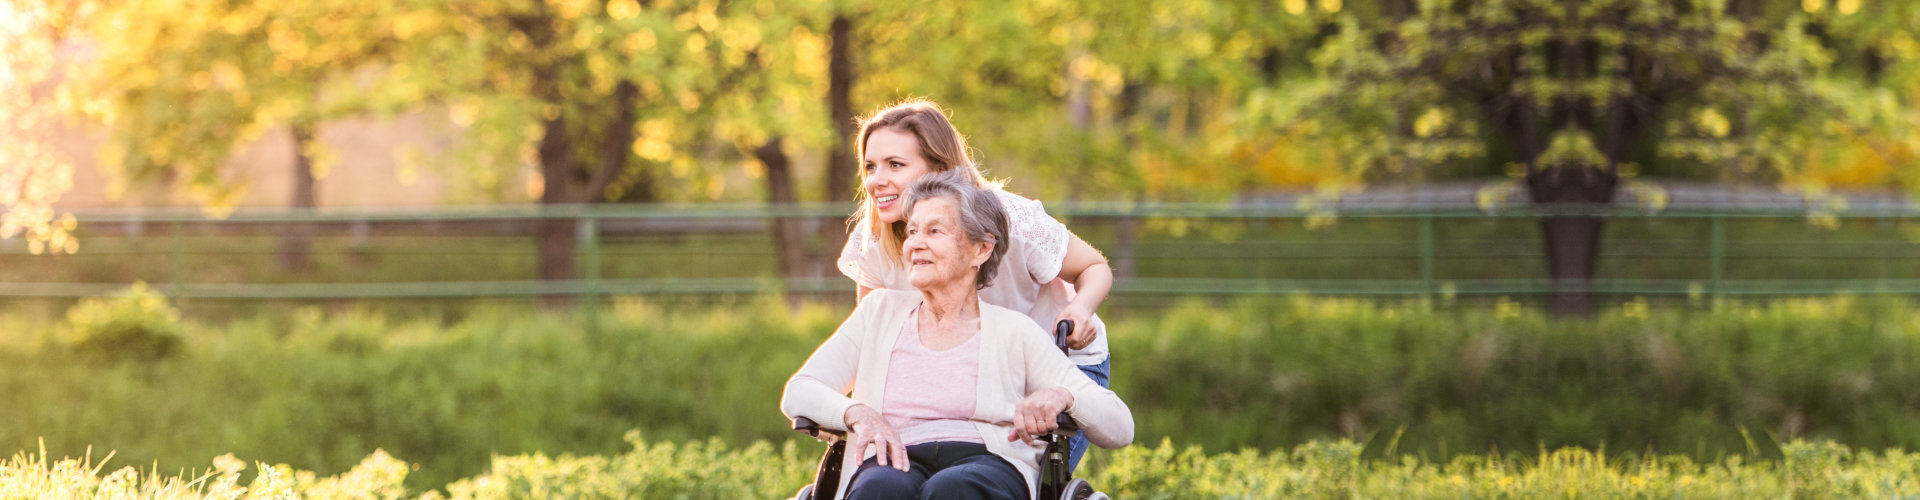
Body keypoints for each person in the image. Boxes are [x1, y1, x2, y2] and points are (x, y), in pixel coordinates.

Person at [786, 171, 1133, 500]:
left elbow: (1120, 427)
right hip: (891, 457)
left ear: (981, 249)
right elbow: (799, 391)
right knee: (880, 488)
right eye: (913, 232)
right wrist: (857, 413)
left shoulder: (1015, 331)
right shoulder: (877, 312)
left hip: (988, 463)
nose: (916, 244)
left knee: (954, 488)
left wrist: (1063, 396)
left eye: (935, 231)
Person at [837, 99, 1116, 471]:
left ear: (939, 170)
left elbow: (1094, 267)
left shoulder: (1009, 219)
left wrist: (1080, 309)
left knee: (1018, 481)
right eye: (870, 166)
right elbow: (870, 345)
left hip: (1054, 365)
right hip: (969, 374)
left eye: (895, 165)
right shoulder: (872, 239)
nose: (875, 180)